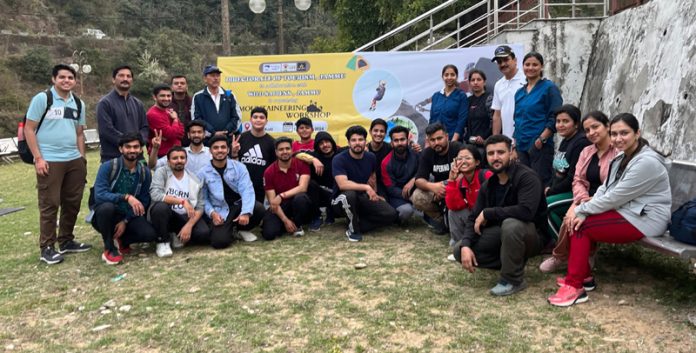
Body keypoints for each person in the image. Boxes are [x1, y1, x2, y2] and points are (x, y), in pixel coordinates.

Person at [548, 113, 671, 306]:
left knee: (582, 225)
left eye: (624, 133)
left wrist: (583, 210)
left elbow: (615, 197)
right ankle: (584, 277)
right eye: (614, 134)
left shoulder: (646, 162)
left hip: (647, 219)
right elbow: (606, 188)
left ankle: (575, 287)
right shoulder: (622, 156)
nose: (618, 138)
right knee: (578, 221)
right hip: (628, 212)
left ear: (637, 133)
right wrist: (584, 208)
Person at [452, 134, 549, 296]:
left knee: (511, 224)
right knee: (459, 249)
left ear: (511, 153)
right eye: (491, 154)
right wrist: (467, 245)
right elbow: (473, 217)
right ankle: (511, 261)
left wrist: (488, 213)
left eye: (500, 152)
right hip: (504, 234)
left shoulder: (527, 177)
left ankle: (512, 280)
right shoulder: (489, 184)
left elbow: (526, 212)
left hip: (532, 235)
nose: (495, 158)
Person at [24, 64, 91, 264]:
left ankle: (66, 240)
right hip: (49, 160)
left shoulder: (78, 103)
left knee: (72, 202)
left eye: (70, 78)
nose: (66, 81)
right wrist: (38, 158)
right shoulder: (43, 99)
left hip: (73, 159)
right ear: (54, 79)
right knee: (50, 203)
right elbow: (29, 129)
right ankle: (47, 247)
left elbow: (79, 133)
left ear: (75, 81)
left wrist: (82, 158)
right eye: (62, 77)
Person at [539, 111, 618, 273]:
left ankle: (565, 254)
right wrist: (581, 200)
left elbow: (615, 185)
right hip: (582, 196)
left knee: (552, 206)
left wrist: (586, 202)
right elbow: (578, 180)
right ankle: (573, 253)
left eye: (595, 127)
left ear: (607, 126)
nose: (591, 133)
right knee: (547, 209)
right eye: (588, 130)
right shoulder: (587, 151)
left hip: (606, 199)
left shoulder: (617, 152)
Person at [91, 133, 159, 265]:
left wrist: (126, 221)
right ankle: (109, 248)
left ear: (140, 149)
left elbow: (144, 200)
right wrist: (126, 197)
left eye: (136, 147)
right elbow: (99, 195)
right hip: (105, 215)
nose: (132, 150)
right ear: (121, 149)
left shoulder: (144, 172)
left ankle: (122, 240)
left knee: (149, 234)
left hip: (127, 215)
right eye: (128, 147)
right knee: (107, 207)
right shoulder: (108, 167)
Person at [331, 125, 398, 241]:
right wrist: (366, 187)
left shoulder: (370, 157)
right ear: (348, 142)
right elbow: (343, 184)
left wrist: (374, 193)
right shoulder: (339, 159)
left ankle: (358, 224)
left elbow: (372, 176)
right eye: (353, 140)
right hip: (340, 199)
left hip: (361, 196)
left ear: (365, 141)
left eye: (360, 140)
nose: (357, 143)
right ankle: (352, 229)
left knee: (391, 214)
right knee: (350, 194)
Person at [197, 135, 265, 247]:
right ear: (210, 151)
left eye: (223, 147)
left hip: (238, 206)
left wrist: (245, 212)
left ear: (228, 150)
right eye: (216, 148)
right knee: (220, 242)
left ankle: (241, 229)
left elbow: (247, 190)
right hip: (219, 210)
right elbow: (203, 199)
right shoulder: (203, 173)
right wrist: (212, 213)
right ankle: (230, 230)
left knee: (258, 208)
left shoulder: (240, 167)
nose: (220, 150)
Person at [513, 51, 563, 186]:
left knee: (540, 182)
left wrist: (542, 139)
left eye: (535, 64)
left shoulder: (549, 88)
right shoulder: (519, 93)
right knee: (524, 183)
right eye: (527, 64)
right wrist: (515, 143)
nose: (530, 68)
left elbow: (555, 115)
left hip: (540, 145)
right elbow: (516, 119)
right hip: (521, 145)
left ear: (541, 67)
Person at [149, 146, 209, 253]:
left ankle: (177, 234)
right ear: (168, 161)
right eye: (175, 158)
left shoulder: (194, 179)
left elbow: (200, 206)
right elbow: (155, 194)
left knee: (203, 234)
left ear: (186, 160)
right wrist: (181, 201)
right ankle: (163, 242)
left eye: (182, 158)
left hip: (183, 217)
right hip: (165, 215)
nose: (179, 161)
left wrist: (189, 225)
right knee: (160, 207)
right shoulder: (161, 172)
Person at [544, 105, 591, 237]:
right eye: (558, 121)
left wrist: (551, 191)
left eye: (565, 121)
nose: (560, 125)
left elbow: (572, 178)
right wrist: (548, 187)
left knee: (545, 206)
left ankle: (563, 246)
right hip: (560, 190)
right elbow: (557, 171)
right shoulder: (565, 141)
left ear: (576, 124)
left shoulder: (581, 143)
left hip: (575, 193)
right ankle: (562, 241)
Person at [412, 123, 461, 234]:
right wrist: (433, 187)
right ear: (428, 141)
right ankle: (442, 221)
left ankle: (457, 222)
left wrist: (445, 186)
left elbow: (466, 174)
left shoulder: (457, 148)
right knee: (417, 196)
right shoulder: (427, 153)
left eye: (439, 138)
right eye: (432, 140)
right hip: (439, 191)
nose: (436, 143)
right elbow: (419, 179)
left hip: (457, 189)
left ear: (447, 137)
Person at [261, 137, 313, 240]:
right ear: (276, 152)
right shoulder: (269, 172)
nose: (285, 152)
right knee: (269, 234)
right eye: (281, 149)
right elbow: (273, 202)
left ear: (292, 150)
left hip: (296, 203)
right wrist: (285, 220)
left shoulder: (301, 164)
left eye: (287, 148)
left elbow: (303, 188)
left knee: (301, 198)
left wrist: (281, 195)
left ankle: (298, 225)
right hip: (280, 207)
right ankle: (288, 223)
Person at [445, 145, 492, 254]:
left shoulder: (486, 175)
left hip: (490, 219)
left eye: (467, 158)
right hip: (474, 219)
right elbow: (454, 206)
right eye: (460, 159)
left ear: (477, 162)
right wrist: (451, 180)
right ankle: (460, 245)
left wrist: (486, 214)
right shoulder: (461, 182)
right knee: (453, 212)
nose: (463, 161)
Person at [96, 65, 149, 162]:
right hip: (113, 158)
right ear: (113, 80)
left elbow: (145, 128)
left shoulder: (138, 104)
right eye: (121, 76)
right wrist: (128, 144)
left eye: (128, 76)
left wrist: (137, 144)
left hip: (137, 158)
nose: (125, 79)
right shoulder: (105, 103)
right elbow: (106, 130)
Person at [295, 131, 344, 231]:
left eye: (327, 142)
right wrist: (313, 159)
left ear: (332, 142)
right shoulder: (315, 155)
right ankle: (316, 216)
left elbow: (359, 147)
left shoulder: (341, 152)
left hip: (339, 192)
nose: (325, 145)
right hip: (320, 193)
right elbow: (296, 154)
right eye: (321, 143)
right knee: (310, 184)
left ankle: (331, 211)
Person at [231, 107, 276, 204]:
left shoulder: (272, 142)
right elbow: (233, 165)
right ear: (251, 120)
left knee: (257, 215)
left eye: (261, 117)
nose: (258, 120)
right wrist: (233, 153)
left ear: (266, 121)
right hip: (240, 187)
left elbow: (273, 168)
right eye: (255, 117)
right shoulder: (241, 138)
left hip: (260, 189)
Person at [191, 65, 241, 141]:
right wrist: (212, 133)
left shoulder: (230, 95)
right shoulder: (198, 96)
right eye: (212, 75)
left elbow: (236, 117)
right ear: (205, 79)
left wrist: (226, 131)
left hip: (227, 140)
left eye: (218, 75)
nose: (216, 78)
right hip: (207, 141)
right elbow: (196, 119)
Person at [381, 126, 419, 223]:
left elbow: (424, 170)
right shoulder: (386, 163)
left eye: (402, 139)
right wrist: (411, 197)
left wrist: (414, 179)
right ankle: (396, 217)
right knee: (406, 211)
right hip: (397, 196)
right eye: (396, 140)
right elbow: (391, 189)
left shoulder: (416, 154)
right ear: (392, 143)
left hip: (416, 189)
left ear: (408, 140)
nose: (399, 143)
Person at [490, 45, 525, 139]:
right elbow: (497, 116)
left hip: (526, 139)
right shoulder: (498, 84)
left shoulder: (526, 80)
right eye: (499, 62)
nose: (502, 64)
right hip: (507, 140)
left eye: (506, 60)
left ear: (515, 60)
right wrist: (495, 141)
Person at [428, 64, 469, 142]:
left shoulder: (461, 96)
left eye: (452, 75)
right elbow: (432, 119)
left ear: (456, 77)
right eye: (446, 75)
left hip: (453, 140)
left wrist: (454, 140)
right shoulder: (436, 96)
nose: (449, 77)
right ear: (442, 77)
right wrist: (429, 140)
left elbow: (461, 121)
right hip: (436, 141)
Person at [146, 84, 184, 158]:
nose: (166, 98)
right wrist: (175, 120)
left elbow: (181, 133)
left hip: (175, 153)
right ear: (154, 97)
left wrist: (173, 129)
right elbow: (171, 134)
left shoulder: (169, 111)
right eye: (162, 96)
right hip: (162, 155)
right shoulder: (153, 114)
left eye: (169, 96)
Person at [462, 69, 493, 158]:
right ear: (469, 83)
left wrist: (484, 137)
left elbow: (494, 121)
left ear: (484, 82)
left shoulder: (490, 99)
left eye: (479, 80)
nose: (475, 82)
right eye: (473, 80)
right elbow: (465, 124)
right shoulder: (467, 101)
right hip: (469, 145)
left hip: (486, 145)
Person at [367, 118, 392, 196]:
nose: (378, 134)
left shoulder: (390, 148)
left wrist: (414, 146)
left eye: (382, 131)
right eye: (375, 130)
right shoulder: (363, 149)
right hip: (367, 186)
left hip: (385, 186)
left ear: (385, 133)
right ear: (370, 132)